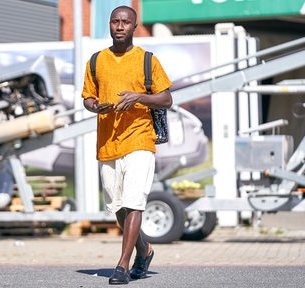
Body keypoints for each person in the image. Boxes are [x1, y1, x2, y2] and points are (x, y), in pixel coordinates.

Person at [81, 5, 173, 285]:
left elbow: (166, 99)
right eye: (115, 22)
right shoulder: (96, 61)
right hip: (108, 142)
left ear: (135, 27)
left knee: (134, 201)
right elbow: (87, 97)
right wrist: (94, 106)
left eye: (125, 22)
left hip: (140, 139)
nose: (120, 26)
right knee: (118, 206)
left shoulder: (147, 60)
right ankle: (144, 250)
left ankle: (123, 265)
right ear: (109, 26)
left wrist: (138, 97)